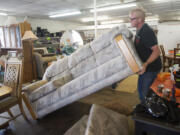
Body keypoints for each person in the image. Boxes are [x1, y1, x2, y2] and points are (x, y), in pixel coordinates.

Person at [129, 8, 162, 104]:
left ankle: (148, 114)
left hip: (151, 68)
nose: (130, 21)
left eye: (132, 19)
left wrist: (145, 64)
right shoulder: (139, 31)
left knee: (145, 94)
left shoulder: (146, 31)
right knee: (141, 91)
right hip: (144, 68)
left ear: (140, 19)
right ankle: (143, 110)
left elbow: (156, 51)